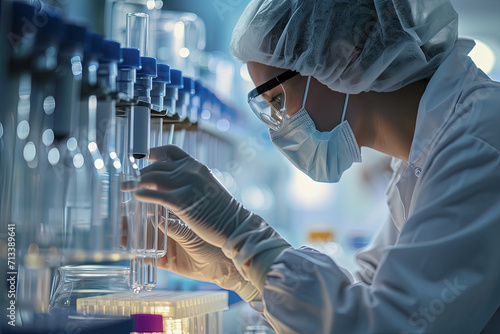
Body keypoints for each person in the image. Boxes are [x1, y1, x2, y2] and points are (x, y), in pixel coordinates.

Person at [135, 0, 500, 332]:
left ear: (346, 57)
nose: (279, 126)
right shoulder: (420, 159)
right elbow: (365, 293)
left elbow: (390, 324)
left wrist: (242, 234)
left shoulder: (481, 138)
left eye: (277, 100)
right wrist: (235, 270)